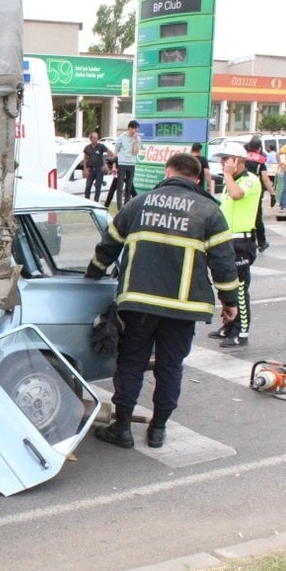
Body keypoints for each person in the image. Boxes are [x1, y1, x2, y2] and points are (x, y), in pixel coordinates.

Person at [85, 153, 239, 449]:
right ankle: (157, 431)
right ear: (196, 178)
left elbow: (108, 245)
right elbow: (223, 262)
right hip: (183, 309)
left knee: (131, 363)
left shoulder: (137, 204)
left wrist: (93, 273)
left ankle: (123, 429)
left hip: (139, 304)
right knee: (170, 367)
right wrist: (229, 301)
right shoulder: (209, 211)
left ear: (167, 172)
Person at [207, 142, 261, 348]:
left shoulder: (249, 180)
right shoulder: (231, 183)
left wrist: (228, 175)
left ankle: (242, 331)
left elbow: (238, 194)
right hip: (227, 240)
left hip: (242, 242)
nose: (222, 164)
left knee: (239, 288)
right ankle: (228, 324)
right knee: (225, 286)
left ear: (237, 160)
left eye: (226, 159)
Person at [244, 137, 275, 251]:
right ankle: (261, 242)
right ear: (259, 148)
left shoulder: (243, 157)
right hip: (255, 191)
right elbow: (265, 179)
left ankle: (249, 240)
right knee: (257, 217)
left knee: (245, 216)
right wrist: (272, 194)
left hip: (243, 189)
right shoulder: (260, 160)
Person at [114, 120, 140, 209]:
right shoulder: (121, 137)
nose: (136, 130)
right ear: (130, 128)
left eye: (137, 129)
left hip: (132, 163)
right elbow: (116, 150)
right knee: (120, 186)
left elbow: (135, 152)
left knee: (129, 187)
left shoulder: (137, 138)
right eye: (135, 128)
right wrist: (115, 164)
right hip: (122, 163)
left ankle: (126, 207)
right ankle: (119, 207)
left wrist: (136, 140)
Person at [81, 132, 112, 202]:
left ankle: (96, 201)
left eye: (97, 138)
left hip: (99, 170)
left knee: (98, 187)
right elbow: (85, 158)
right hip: (91, 170)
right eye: (94, 138)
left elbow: (110, 152)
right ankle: (86, 201)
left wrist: (106, 163)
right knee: (88, 187)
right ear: (91, 139)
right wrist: (85, 169)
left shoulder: (101, 146)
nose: (96, 140)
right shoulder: (87, 148)